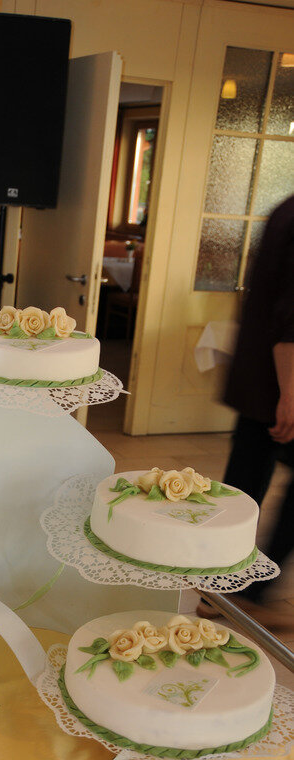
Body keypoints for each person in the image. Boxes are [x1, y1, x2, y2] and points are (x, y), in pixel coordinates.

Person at [199, 194, 294, 627]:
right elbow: (290, 321)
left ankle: (217, 584)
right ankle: (247, 593)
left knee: (243, 485)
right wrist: (290, 394)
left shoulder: (286, 208)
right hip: (279, 384)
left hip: (260, 381)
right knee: (249, 488)